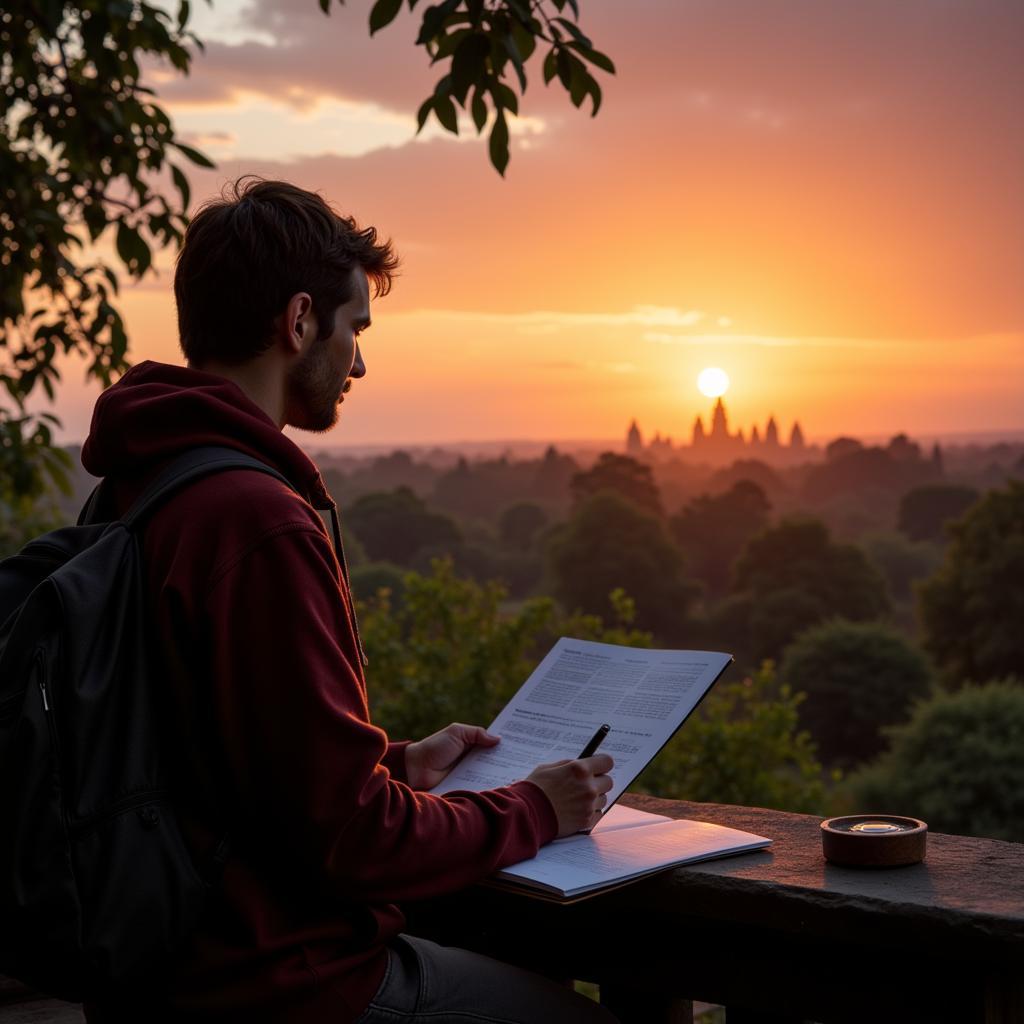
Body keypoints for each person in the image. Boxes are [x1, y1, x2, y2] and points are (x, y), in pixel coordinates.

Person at [79, 176, 619, 1024]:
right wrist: (533, 807)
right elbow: (349, 839)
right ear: (298, 323)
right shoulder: (255, 519)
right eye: (355, 328)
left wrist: (397, 765)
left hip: (158, 967)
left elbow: (208, 761)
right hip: (279, 983)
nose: (360, 361)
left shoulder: (137, 486)